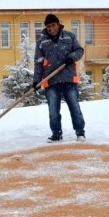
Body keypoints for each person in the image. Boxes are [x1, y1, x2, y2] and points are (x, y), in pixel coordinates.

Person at [33, 13, 86, 142]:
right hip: (51, 81)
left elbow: (79, 51)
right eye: (48, 26)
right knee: (53, 110)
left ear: (58, 24)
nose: (51, 28)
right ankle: (56, 134)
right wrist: (36, 80)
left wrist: (71, 58)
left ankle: (80, 132)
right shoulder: (42, 42)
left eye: (53, 25)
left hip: (69, 78)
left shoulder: (69, 36)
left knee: (75, 107)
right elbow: (39, 62)